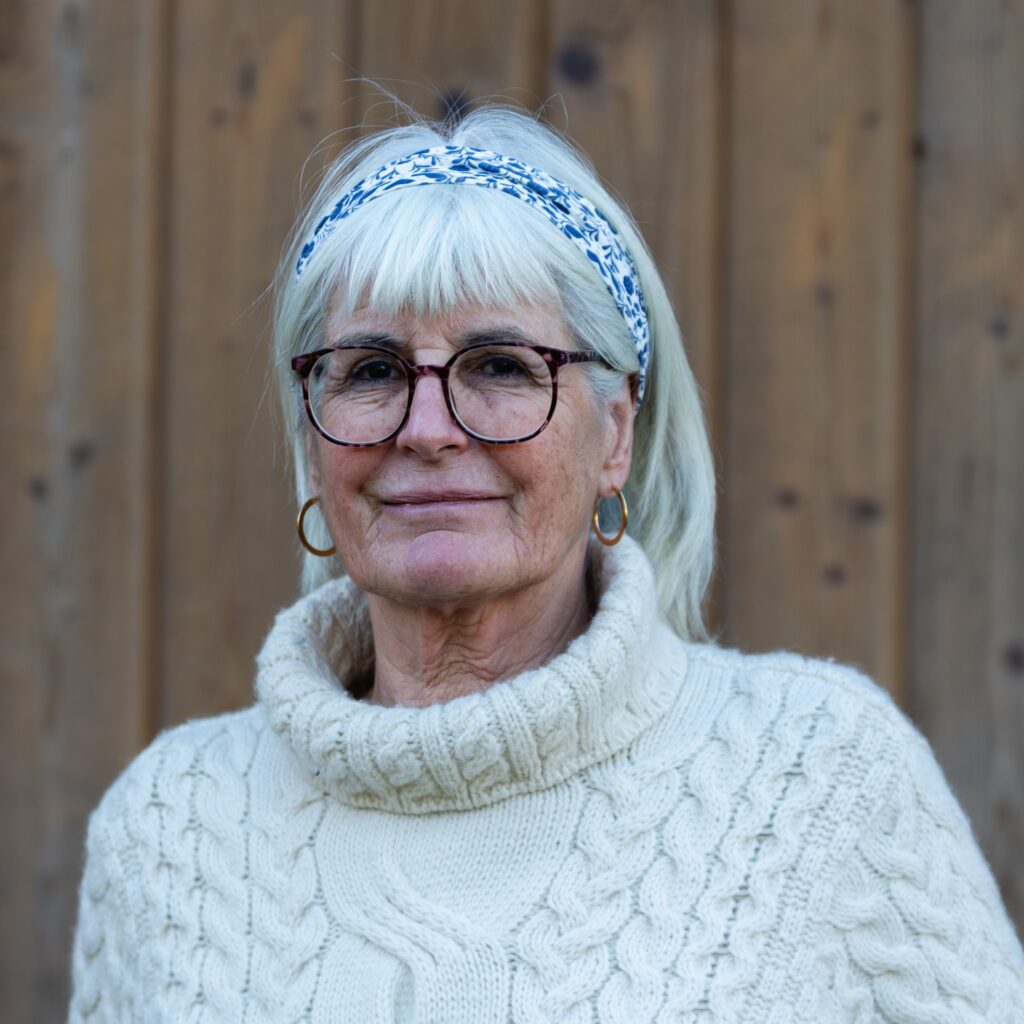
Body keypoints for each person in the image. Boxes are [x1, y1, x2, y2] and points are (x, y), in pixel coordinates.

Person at [68, 104, 1024, 1023]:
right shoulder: (170, 827)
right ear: (312, 444)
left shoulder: (820, 778)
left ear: (616, 432)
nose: (428, 430)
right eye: (371, 371)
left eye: (500, 366)